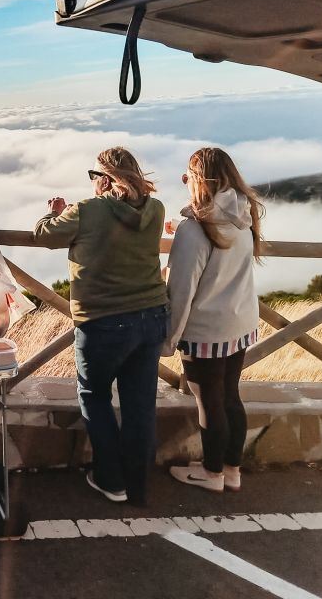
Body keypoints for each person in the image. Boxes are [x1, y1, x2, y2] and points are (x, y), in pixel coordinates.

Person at [34, 146, 169, 505]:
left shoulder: (87, 211)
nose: (92, 182)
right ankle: (138, 485)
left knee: (94, 396)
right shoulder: (155, 209)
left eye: (94, 176)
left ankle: (111, 480)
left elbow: (45, 236)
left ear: (106, 180)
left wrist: (51, 214)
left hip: (103, 321)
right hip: (152, 315)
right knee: (140, 405)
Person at [164, 147, 263, 493]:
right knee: (230, 396)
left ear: (200, 180)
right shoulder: (243, 217)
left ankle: (211, 473)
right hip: (240, 324)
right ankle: (231, 469)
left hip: (206, 329)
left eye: (188, 175)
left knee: (209, 402)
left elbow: (181, 291)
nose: (185, 181)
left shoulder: (195, 231)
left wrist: (167, 340)